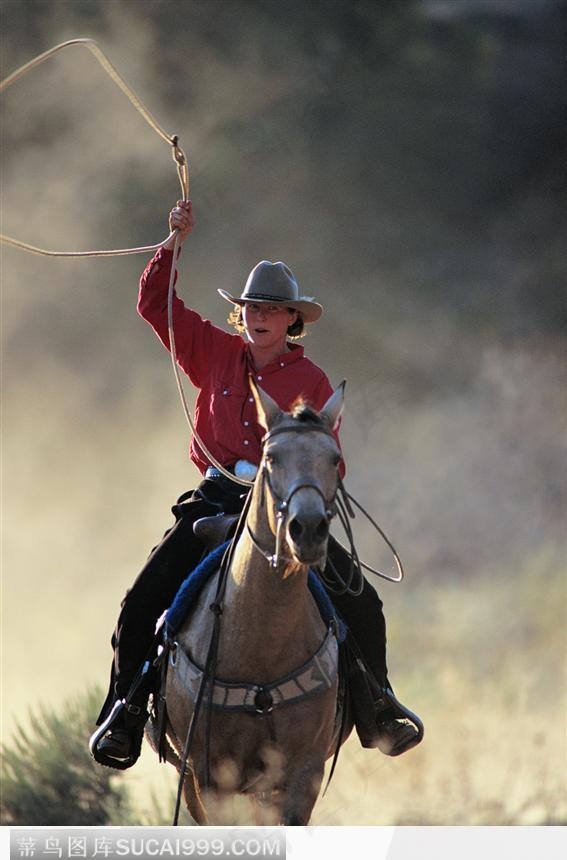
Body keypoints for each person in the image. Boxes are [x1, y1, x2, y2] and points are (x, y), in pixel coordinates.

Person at [92, 200, 422, 768]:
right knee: (140, 601)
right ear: (240, 315)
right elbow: (154, 304)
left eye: (273, 308)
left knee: (363, 603)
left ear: (292, 319)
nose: (260, 316)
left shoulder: (312, 380)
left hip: (286, 507)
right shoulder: (213, 353)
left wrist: (310, 490)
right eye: (251, 307)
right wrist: (173, 242)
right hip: (216, 498)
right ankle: (124, 711)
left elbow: (329, 457)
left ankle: (378, 706)